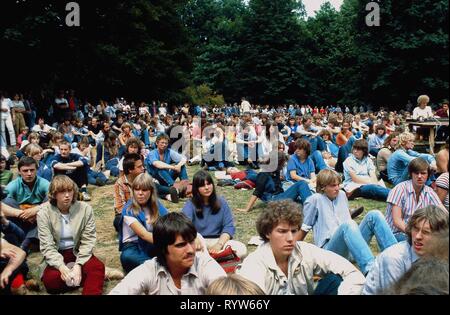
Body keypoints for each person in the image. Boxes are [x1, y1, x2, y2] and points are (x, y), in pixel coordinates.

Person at [238, 200, 365, 295]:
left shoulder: (305, 251)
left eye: (293, 231)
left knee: (336, 280)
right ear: (267, 233)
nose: (290, 238)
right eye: (282, 231)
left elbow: (351, 272)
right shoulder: (254, 264)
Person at [299, 169, 397, 276]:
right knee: (348, 225)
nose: (337, 188)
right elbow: (304, 229)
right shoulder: (314, 200)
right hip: (329, 252)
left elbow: (344, 218)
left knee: (375, 215)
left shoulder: (341, 195)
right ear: (323, 187)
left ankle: (397, 260)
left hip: (350, 247)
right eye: (333, 186)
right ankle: (371, 272)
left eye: (338, 185)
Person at [110, 212, 226, 295]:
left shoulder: (205, 265)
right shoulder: (150, 270)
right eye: (181, 245)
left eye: (191, 242)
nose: (191, 250)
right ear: (163, 249)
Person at [37, 175, 105, 295]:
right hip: (58, 253)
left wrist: (78, 265)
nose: (67, 195)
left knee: (97, 268)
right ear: (54, 194)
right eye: (62, 192)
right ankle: (83, 278)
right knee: (50, 281)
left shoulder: (85, 209)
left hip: (79, 252)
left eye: (70, 190)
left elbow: (88, 240)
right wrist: (62, 267)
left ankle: (85, 281)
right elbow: (47, 246)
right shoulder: (44, 213)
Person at [363, 205, 449, 295]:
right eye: (415, 229)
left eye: (426, 232)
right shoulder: (394, 258)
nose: (418, 236)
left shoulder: (440, 256)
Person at [182, 170, 247, 258]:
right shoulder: (190, 204)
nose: (207, 187)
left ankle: (211, 258)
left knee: (241, 250)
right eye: (202, 185)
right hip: (199, 240)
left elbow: (228, 226)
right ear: (196, 189)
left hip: (218, 240)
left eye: (209, 184)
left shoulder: (222, 202)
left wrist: (219, 245)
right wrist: (194, 237)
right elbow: (184, 225)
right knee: (193, 253)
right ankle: (214, 258)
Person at [118, 173, 169, 273]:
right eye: (137, 190)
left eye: (144, 190)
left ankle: (157, 266)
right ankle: (158, 268)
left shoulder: (156, 204)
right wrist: (170, 242)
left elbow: (169, 221)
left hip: (152, 243)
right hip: (133, 247)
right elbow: (144, 235)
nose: (140, 193)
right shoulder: (128, 209)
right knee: (128, 257)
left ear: (151, 191)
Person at [385, 158, 445, 241]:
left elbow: (444, 213)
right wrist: (415, 235)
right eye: (416, 173)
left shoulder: (429, 192)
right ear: (411, 174)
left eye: (423, 173)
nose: (419, 176)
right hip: (396, 234)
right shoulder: (400, 189)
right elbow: (397, 221)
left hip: (416, 235)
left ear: (428, 175)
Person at [236, 151, 313, 212]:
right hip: (274, 200)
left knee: (301, 203)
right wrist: (247, 209)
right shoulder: (264, 174)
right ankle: (312, 207)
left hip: (281, 196)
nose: (284, 165)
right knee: (301, 183)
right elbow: (257, 192)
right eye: (283, 163)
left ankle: (312, 207)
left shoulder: (276, 171)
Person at [1, 157, 50, 250]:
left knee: (50, 200)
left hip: (38, 219)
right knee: (7, 201)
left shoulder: (44, 183)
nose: (29, 174)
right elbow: (2, 206)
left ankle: (25, 244)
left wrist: (36, 210)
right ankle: (27, 241)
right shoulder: (13, 185)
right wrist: (23, 214)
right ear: (19, 171)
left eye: (32, 170)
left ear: (37, 170)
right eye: (25, 171)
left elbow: (55, 200)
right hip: (21, 219)